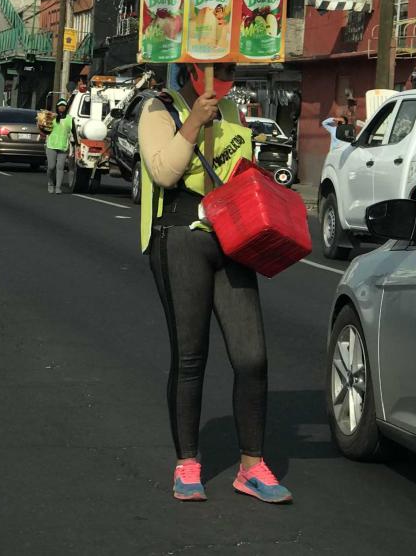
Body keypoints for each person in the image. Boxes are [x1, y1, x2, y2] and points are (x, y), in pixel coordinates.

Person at [137, 62, 291, 505]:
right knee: (190, 357)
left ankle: (252, 466)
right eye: (214, 68)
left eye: (228, 68)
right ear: (190, 67)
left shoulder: (232, 110)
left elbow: (238, 167)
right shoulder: (158, 107)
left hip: (231, 235)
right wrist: (193, 124)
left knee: (252, 356)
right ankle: (187, 463)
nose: (223, 77)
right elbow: (164, 173)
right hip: (179, 237)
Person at [44, 98, 73, 194]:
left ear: (66, 107)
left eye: (64, 106)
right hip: (51, 145)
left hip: (63, 146)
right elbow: (45, 129)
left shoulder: (69, 119)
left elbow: (74, 133)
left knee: (60, 167)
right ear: (57, 107)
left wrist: (76, 144)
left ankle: (58, 187)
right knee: (51, 167)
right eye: (60, 105)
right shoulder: (52, 117)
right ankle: (50, 183)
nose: (62, 107)